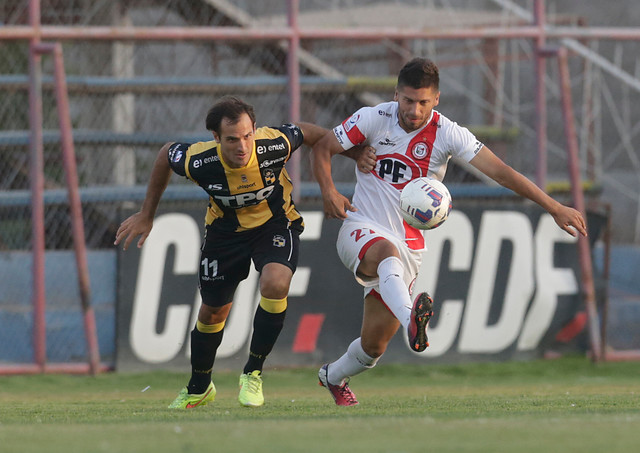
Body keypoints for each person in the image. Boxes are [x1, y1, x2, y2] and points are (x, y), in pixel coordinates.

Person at [311, 57, 588, 406]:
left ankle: (332, 376)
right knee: (385, 252)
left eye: (423, 102)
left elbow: (501, 172)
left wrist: (554, 206)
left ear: (436, 98)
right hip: (361, 227)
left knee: (373, 347)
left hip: (409, 246)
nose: (414, 109)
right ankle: (413, 316)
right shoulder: (372, 118)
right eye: (408, 100)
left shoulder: (447, 133)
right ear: (396, 94)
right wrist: (329, 191)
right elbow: (323, 147)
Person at [115, 95, 367, 409]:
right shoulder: (199, 160)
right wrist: (147, 214)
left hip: (275, 225)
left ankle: (252, 374)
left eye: (248, 136)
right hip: (224, 234)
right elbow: (166, 155)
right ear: (216, 138)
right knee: (212, 313)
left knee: (276, 284)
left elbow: (311, 134)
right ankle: (199, 387)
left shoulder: (272, 145)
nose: (242, 146)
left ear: (255, 131)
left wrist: (352, 158)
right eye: (232, 139)